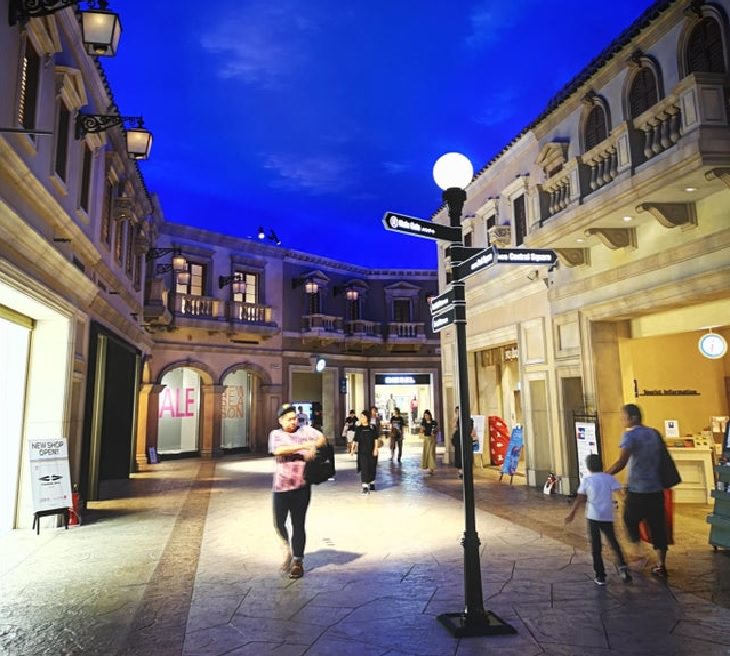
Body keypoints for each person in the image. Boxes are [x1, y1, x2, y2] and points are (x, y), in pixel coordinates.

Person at [606, 403, 669, 578]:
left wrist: (604, 474)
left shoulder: (630, 436)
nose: (621, 420)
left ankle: (640, 555)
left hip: (638, 489)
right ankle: (661, 564)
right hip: (656, 488)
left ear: (633, 418)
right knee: (658, 526)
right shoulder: (654, 434)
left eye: (623, 417)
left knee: (630, 520)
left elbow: (621, 462)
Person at [269, 403, 326, 579]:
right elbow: (278, 450)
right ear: (280, 420)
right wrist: (303, 447)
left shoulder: (305, 430)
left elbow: (322, 439)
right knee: (279, 523)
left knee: (298, 524)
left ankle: (298, 562)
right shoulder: (276, 434)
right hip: (281, 487)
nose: (294, 422)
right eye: (289, 419)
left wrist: (314, 446)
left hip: (301, 487)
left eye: (295, 418)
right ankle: (286, 546)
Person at [565, 454, 632, 586]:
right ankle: (623, 567)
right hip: (607, 516)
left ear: (589, 467)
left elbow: (580, 499)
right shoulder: (609, 478)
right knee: (613, 542)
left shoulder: (587, 480)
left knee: (596, 547)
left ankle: (600, 575)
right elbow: (621, 495)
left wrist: (572, 513)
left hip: (593, 517)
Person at [354, 410, 379, 493]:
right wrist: (352, 449)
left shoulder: (372, 427)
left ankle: (372, 483)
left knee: (372, 467)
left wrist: (376, 449)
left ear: (367, 418)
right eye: (361, 417)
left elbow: (376, 439)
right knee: (364, 467)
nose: (362, 418)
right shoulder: (358, 428)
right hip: (362, 451)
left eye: (363, 417)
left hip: (372, 451)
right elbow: (355, 439)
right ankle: (364, 486)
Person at [451, 406, 474, 480]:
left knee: (467, 454)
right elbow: (453, 428)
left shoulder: (469, 420)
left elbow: (472, 430)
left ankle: (466, 470)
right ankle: (460, 471)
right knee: (459, 454)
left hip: (467, 440)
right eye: (457, 411)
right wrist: (456, 418)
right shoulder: (455, 419)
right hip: (458, 439)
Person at [420, 410, 438, 475]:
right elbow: (421, 431)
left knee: (431, 453)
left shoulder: (434, 422)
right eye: (425, 416)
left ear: (430, 415)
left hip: (432, 439)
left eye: (427, 415)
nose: (426, 417)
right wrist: (422, 429)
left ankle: (431, 468)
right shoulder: (423, 422)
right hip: (426, 439)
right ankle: (426, 467)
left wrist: (435, 431)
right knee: (426, 452)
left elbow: (437, 429)